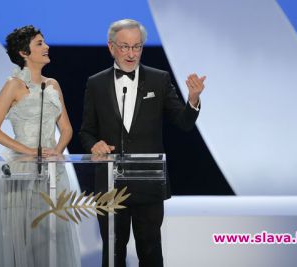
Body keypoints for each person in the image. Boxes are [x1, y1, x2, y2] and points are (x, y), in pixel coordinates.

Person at [79, 19, 205, 267]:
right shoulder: (96, 83)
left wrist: (192, 100)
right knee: (113, 254)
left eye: (137, 47)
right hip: (110, 185)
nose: (131, 53)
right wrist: (94, 145)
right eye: (125, 47)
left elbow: (183, 122)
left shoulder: (159, 80)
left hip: (148, 183)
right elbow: (86, 132)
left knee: (150, 252)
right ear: (111, 47)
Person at [0, 25, 80, 267]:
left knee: (51, 235)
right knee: (24, 234)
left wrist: (57, 152)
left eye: (44, 42)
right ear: (23, 53)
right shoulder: (13, 85)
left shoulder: (53, 85)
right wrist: (30, 152)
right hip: (20, 170)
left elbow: (67, 129)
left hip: (51, 169)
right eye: (39, 43)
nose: (46, 46)